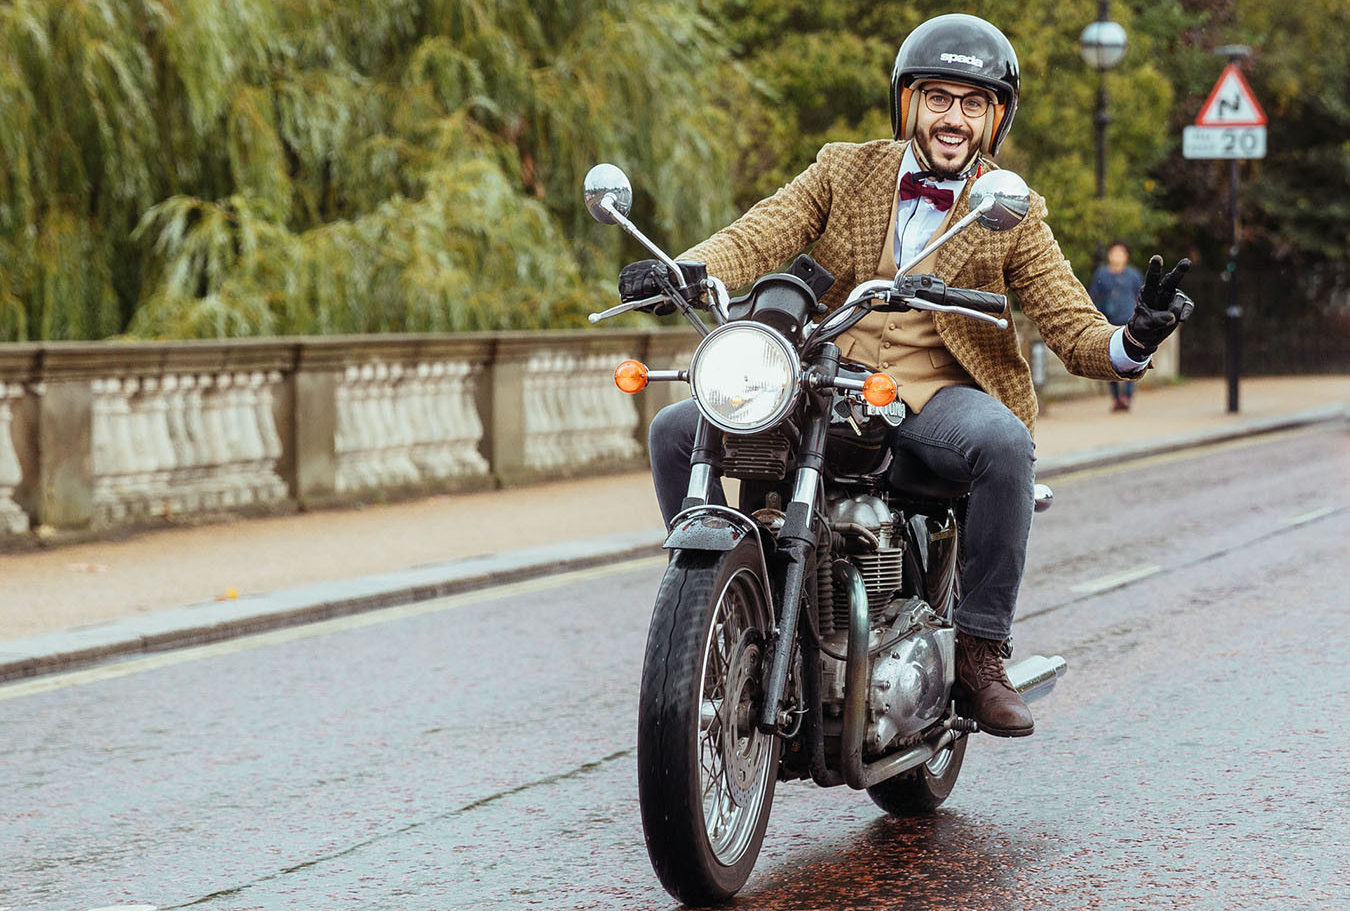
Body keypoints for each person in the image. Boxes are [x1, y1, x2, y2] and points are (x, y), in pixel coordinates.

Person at [620, 13, 1193, 737]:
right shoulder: (845, 168)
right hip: (821, 372)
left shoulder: (1011, 208)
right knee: (676, 428)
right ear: (909, 103)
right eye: (940, 98)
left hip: (933, 395)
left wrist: (1133, 338)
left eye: (973, 103)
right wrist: (688, 267)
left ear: (995, 119)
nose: (954, 117)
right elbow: (760, 231)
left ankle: (982, 651)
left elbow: (1072, 327)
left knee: (1005, 445)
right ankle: (715, 606)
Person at [1088, 241, 1147, 411]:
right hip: (1108, 323)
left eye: (1120, 253)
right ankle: (1116, 398)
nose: (1117, 257)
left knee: (1131, 361)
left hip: (1129, 323)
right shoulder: (1102, 274)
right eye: (1114, 253)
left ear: (1126, 256)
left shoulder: (1133, 275)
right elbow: (1093, 297)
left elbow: (1140, 297)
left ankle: (1127, 396)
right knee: (1111, 362)